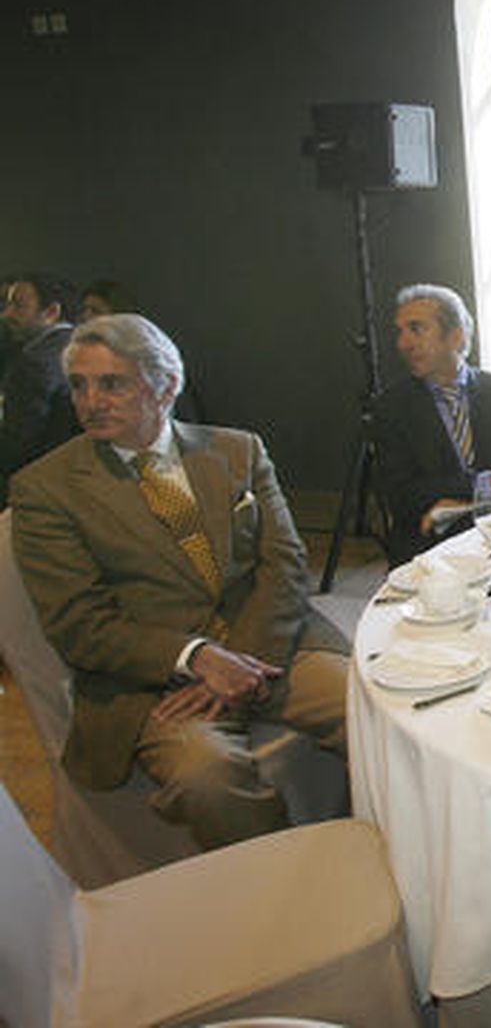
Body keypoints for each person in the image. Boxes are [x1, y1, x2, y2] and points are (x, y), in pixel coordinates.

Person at [9, 313, 348, 849]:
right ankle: (285, 890)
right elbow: (80, 625)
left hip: (270, 645)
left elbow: (284, 565)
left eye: (111, 383)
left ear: (165, 385)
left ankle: (391, 850)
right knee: (205, 779)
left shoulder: (238, 450)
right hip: (154, 685)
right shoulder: (45, 490)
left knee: (373, 708)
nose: (90, 401)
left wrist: (242, 659)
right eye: (79, 385)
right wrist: (200, 658)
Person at [372, 283, 491, 564]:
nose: (403, 343)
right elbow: (401, 495)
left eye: (416, 329)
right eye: (400, 331)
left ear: (456, 337)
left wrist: (461, 504)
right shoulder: (391, 407)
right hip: (430, 546)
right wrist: (483, 484)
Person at [1, 272, 82, 504]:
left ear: (51, 312)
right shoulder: (80, 347)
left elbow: (15, 445)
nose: (7, 315)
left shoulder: (34, 362)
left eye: (18, 306)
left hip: (33, 488)